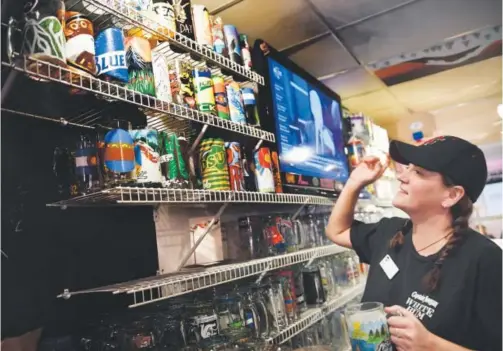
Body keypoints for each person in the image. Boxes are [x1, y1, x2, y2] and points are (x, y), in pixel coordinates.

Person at [326, 136, 502, 351]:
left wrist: (430, 344)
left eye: (418, 172)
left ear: (452, 194)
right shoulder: (390, 231)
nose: (402, 176)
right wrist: (354, 182)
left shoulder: (485, 259)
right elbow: (337, 231)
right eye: (407, 167)